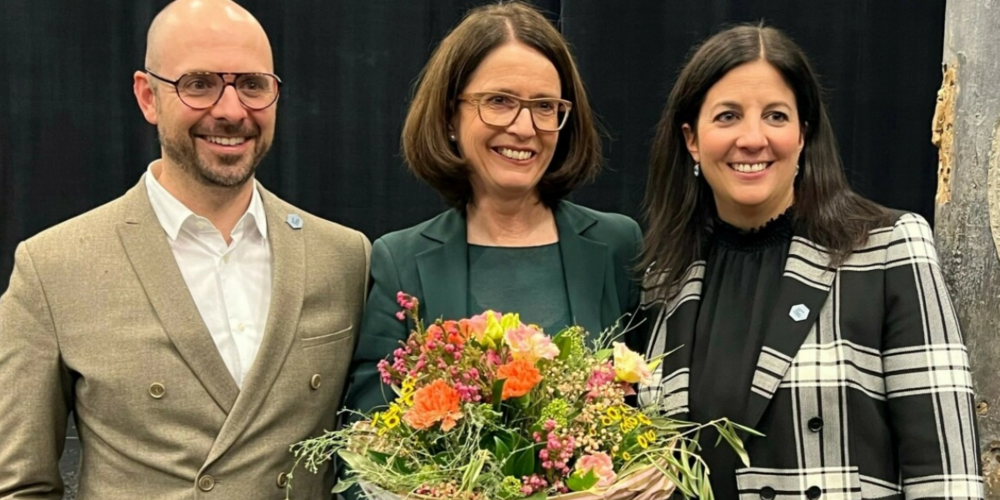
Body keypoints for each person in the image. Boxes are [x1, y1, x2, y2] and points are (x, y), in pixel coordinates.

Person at [0, 0, 370, 498]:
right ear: (147, 96)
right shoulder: (53, 268)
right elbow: (18, 485)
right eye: (199, 84)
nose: (232, 110)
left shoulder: (344, 257)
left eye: (252, 85)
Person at [636, 24, 983, 499]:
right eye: (728, 116)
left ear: (804, 134)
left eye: (776, 116)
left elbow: (948, 476)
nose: (753, 138)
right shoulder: (665, 277)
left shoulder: (888, 247)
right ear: (692, 139)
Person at [344, 0, 641, 426]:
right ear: (450, 116)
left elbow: (655, 412)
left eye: (544, 106)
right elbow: (363, 442)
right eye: (499, 101)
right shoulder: (400, 261)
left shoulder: (617, 246)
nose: (524, 128)